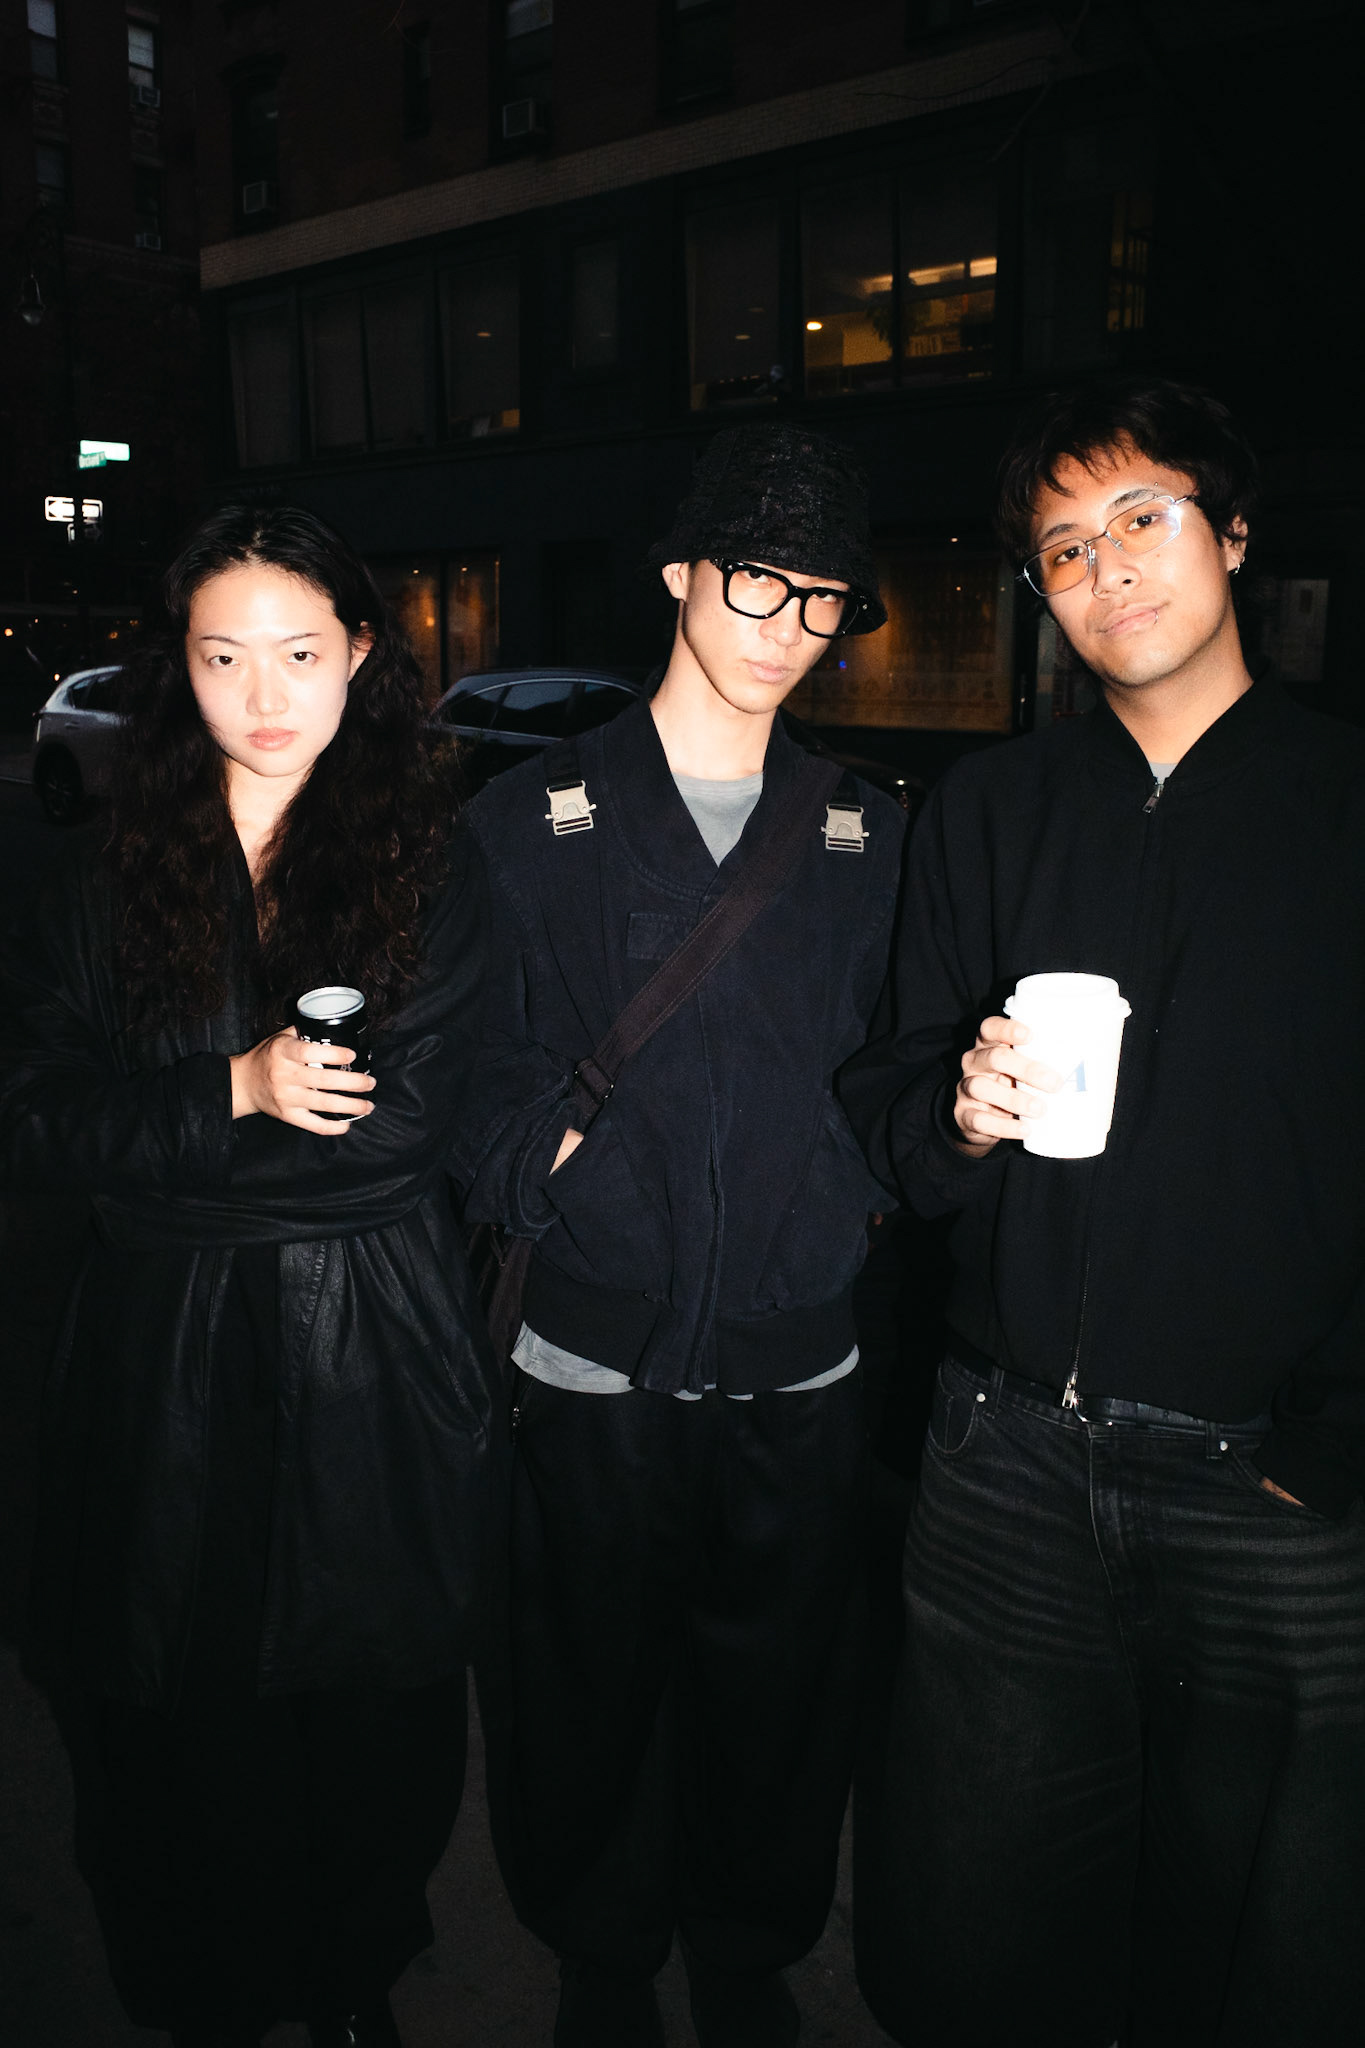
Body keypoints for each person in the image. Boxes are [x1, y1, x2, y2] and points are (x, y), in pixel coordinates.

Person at [841, 377, 1365, 2048]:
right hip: (1005, 1464)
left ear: (1232, 535)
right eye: (1062, 547)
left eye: (1141, 517)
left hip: (1275, 1488)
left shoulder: (1340, 800)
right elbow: (892, 1091)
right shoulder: (988, 811)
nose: (1104, 566)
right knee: (982, 1934)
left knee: (1277, 1944)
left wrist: (1334, 1435)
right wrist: (953, 1113)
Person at [0, 506, 500, 2048]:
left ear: (358, 655)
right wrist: (232, 1089)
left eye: (299, 653)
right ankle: (204, 1993)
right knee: (173, 1702)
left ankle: (348, 1982)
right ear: (181, 667)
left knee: (370, 1706)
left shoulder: (433, 866)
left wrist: (157, 1160)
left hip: (370, 1346)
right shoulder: (96, 879)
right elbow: (33, 1117)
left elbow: (396, 1144)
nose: (265, 694)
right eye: (224, 658)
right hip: (160, 1358)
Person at [454, 424, 904, 2047]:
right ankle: (599, 1947)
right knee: (585, 1682)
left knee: (779, 1685)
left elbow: (897, 1060)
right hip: (592, 1349)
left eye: (822, 600)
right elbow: (468, 1066)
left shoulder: (869, 834)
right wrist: (543, 1165)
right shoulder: (531, 819)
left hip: (798, 1355)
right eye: (756, 584)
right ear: (678, 574)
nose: (788, 628)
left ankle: (747, 1944)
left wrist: (867, 1179)